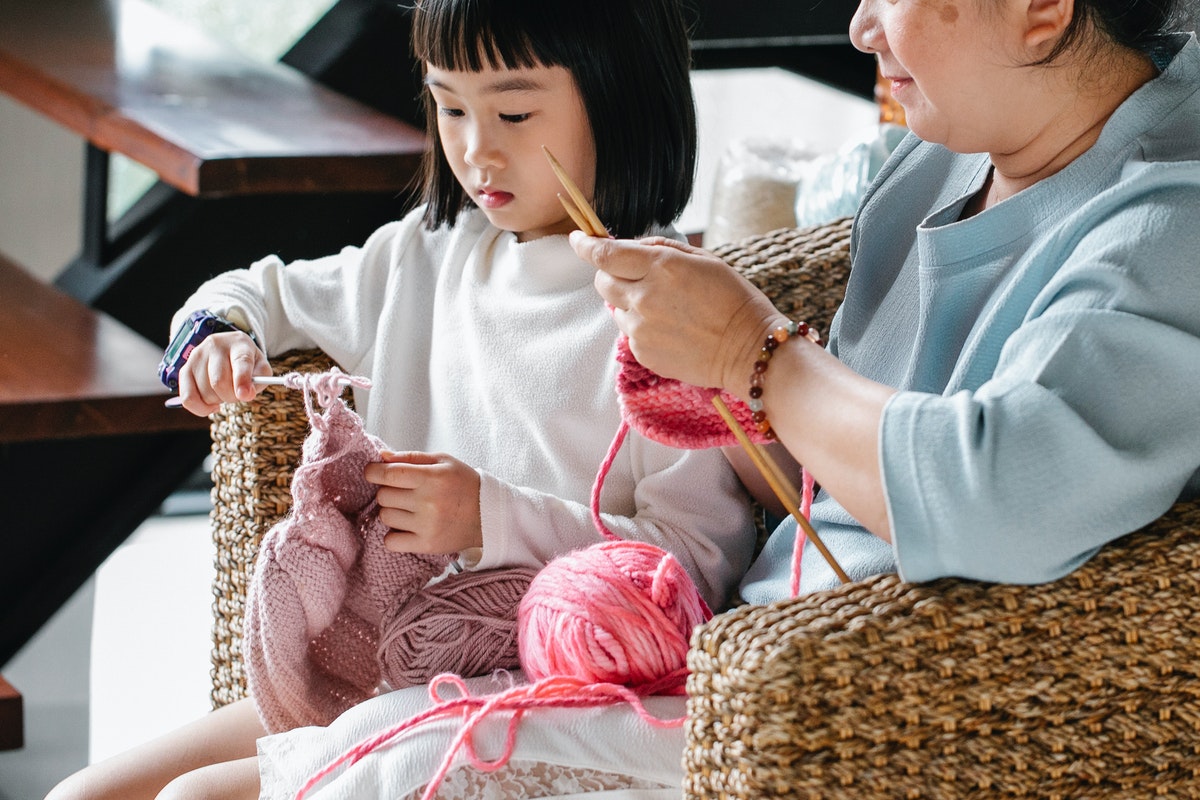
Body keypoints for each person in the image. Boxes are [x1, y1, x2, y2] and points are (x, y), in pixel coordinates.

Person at [45, 1, 756, 799]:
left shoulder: (668, 310)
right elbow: (253, 291)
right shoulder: (427, 258)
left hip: (524, 693)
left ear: (620, 98)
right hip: (371, 666)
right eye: (449, 105)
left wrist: (487, 515)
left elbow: (695, 567)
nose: (475, 147)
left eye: (514, 112)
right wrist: (214, 337)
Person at [574, 0, 1200, 604]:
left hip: (887, 682)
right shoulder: (944, 152)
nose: (859, 29)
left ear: (1040, 7)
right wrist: (720, 370)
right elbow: (830, 494)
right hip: (749, 641)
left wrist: (754, 351)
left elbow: (997, 502)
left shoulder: (1171, 227)